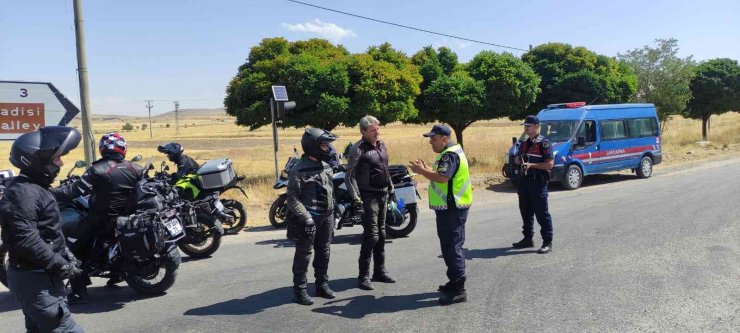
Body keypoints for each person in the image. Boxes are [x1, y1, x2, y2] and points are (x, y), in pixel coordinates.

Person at [0, 126, 85, 332]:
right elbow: (27, 240)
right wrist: (59, 265)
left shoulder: (36, 188)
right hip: (36, 279)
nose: (61, 163)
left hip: (39, 276)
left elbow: (47, 231)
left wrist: (66, 254)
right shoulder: (23, 194)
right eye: (56, 159)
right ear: (38, 160)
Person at [54, 132, 144, 303]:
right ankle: (116, 275)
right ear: (123, 148)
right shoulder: (136, 169)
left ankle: (80, 293)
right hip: (127, 217)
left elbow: (74, 191)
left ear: (103, 149)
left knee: (74, 248)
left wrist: (50, 192)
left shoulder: (98, 169)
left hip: (102, 220)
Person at [409, 124, 473, 305]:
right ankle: (454, 281)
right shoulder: (451, 152)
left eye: (434, 138)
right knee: (448, 246)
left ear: (444, 138)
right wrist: (428, 169)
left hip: (453, 208)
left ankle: (459, 289)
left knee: (453, 247)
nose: (430, 142)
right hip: (450, 208)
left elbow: (443, 177)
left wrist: (422, 171)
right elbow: (442, 174)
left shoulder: (450, 155)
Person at [344, 115, 396, 291]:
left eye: (378, 129)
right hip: (368, 197)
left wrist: (392, 190)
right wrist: (357, 199)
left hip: (383, 195)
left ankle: (380, 271)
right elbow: (349, 176)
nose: (377, 132)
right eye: (373, 130)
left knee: (382, 235)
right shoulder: (358, 149)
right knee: (371, 236)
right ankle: (363, 276)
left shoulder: (382, 145)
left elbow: (385, 169)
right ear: (364, 131)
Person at [287, 128, 338, 305]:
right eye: (324, 146)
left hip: (327, 216)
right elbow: (292, 198)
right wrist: (306, 217)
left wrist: (335, 210)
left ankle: (322, 285)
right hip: (308, 219)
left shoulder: (326, 165)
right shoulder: (298, 169)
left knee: (324, 251)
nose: (328, 149)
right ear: (313, 147)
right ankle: (299, 290)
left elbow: (330, 190)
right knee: (304, 254)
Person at [512, 115, 554, 254]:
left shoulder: (544, 142)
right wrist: (518, 160)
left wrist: (532, 165)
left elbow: (549, 164)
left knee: (542, 213)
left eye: (528, 126)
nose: (525, 128)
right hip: (524, 182)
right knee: (525, 211)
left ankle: (547, 242)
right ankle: (527, 239)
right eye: (525, 125)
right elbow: (518, 158)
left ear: (536, 126)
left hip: (538, 182)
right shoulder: (524, 143)